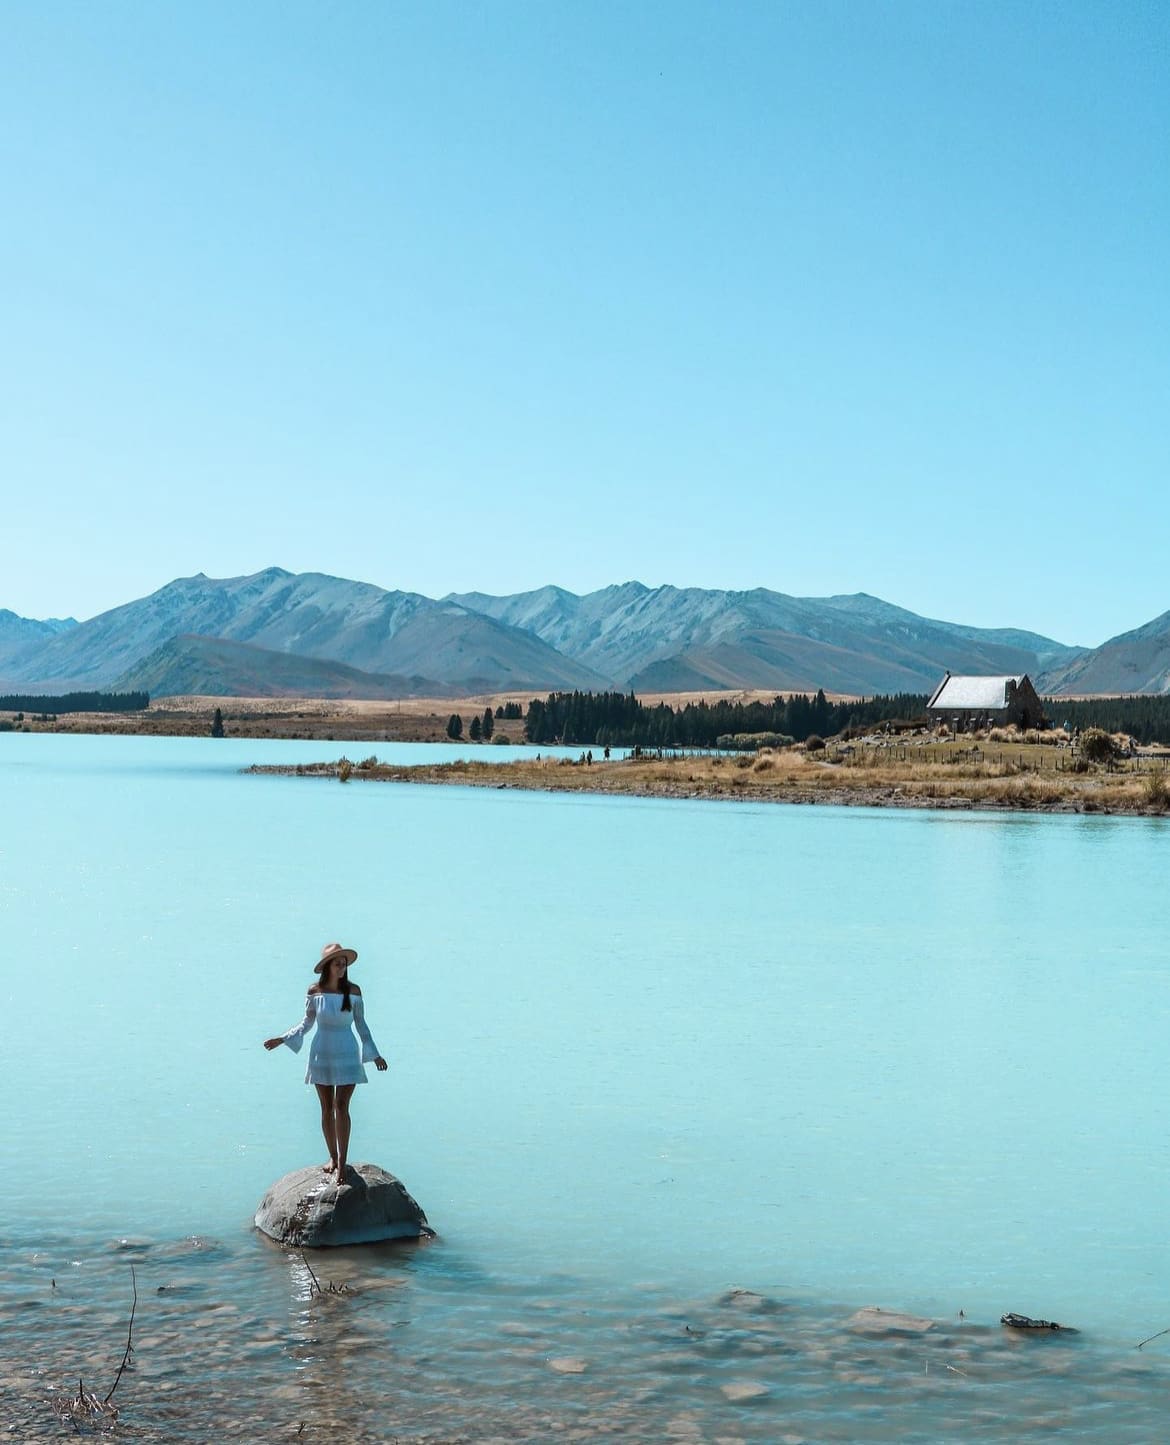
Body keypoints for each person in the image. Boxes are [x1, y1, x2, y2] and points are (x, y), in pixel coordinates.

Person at [264, 941, 387, 1182]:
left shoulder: (353, 992)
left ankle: (342, 1163)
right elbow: (306, 1024)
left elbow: (361, 1025)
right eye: (338, 964)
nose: (342, 968)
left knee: (342, 1106)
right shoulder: (314, 992)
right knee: (326, 1107)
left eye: (344, 964)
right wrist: (283, 1038)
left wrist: (374, 1054)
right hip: (322, 1053)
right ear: (327, 966)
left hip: (347, 1052)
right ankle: (332, 1156)